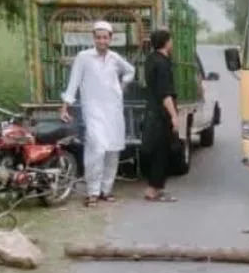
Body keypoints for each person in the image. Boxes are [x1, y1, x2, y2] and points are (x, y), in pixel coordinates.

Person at [60, 21, 136, 206]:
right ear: (93, 38)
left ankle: (106, 190)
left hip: (114, 110)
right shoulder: (83, 57)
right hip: (92, 109)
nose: (102, 41)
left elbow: (130, 71)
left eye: (105, 37)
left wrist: (122, 85)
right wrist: (65, 105)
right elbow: (74, 82)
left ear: (110, 39)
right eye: (98, 37)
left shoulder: (114, 58)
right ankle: (92, 192)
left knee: (112, 150)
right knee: (96, 149)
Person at [140, 29, 178, 202]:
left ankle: (154, 188)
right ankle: (153, 190)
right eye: (171, 40)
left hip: (151, 111)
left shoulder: (150, 59)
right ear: (166, 42)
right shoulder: (163, 63)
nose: (172, 43)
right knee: (161, 152)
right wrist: (174, 116)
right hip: (161, 115)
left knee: (155, 150)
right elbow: (165, 94)